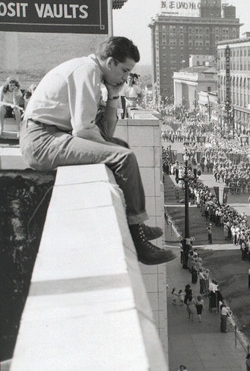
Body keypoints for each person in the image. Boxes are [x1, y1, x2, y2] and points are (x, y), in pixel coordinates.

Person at [19, 37, 170, 265]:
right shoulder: (87, 70)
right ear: (110, 62)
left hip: (52, 135)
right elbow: (83, 129)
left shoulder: (95, 73)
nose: (126, 78)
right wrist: (112, 150)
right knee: (123, 156)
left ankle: (137, 224)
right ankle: (138, 238)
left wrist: (114, 94)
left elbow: (106, 132)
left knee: (122, 148)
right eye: (124, 71)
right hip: (41, 139)